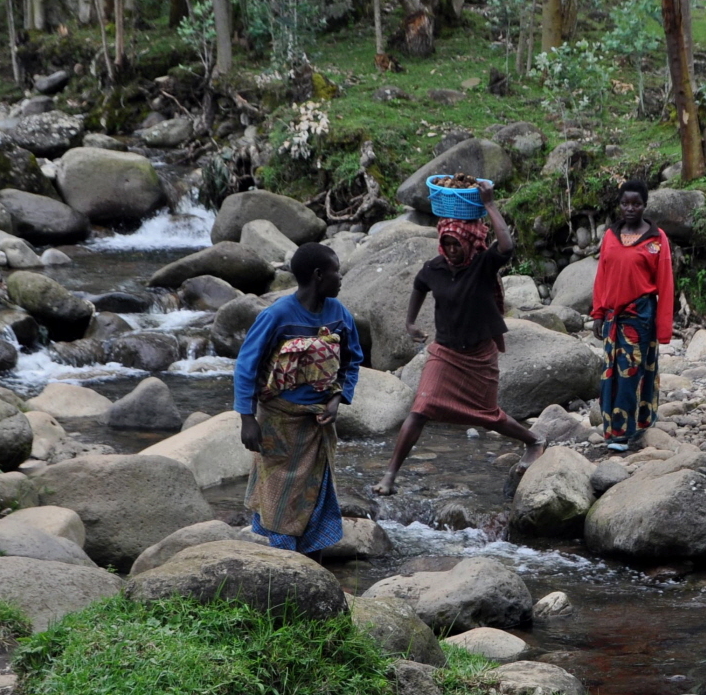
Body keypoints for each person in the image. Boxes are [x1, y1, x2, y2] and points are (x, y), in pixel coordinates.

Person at [375, 182, 546, 496]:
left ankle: (534, 440)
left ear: (468, 243)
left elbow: (506, 247)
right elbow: (419, 286)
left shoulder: (482, 265)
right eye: (447, 243)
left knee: (489, 417)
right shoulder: (435, 268)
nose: (452, 250)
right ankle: (389, 475)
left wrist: (490, 204)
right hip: (445, 353)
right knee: (420, 408)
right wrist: (410, 323)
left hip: (479, 354)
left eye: (457, 244)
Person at [234, 243, 363, 559]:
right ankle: (283, 571)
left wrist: (337, 398)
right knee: (279, 498)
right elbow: (246, 366)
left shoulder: (339, 314)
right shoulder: (276, 315)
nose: (341, 277)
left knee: (314, 497)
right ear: (319, 275)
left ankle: (311, 569)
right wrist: (247, 419)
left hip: (317, 426)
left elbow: (352, 358)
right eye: (336, 271)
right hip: (279, 425)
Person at [589, 179, 675, 452]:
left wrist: (663, 329)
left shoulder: (656, 239)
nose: (630, 208)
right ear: (619, 204)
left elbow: (665, 284)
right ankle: (613, 429)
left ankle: (625, 433)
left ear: (644, 205)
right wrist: (598, 312)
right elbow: (602, 275)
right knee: (610, 374)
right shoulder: (611, 236)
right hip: (613, 316)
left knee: (631, 372)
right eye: (625, 203)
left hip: (640, 315)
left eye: (636, 204)